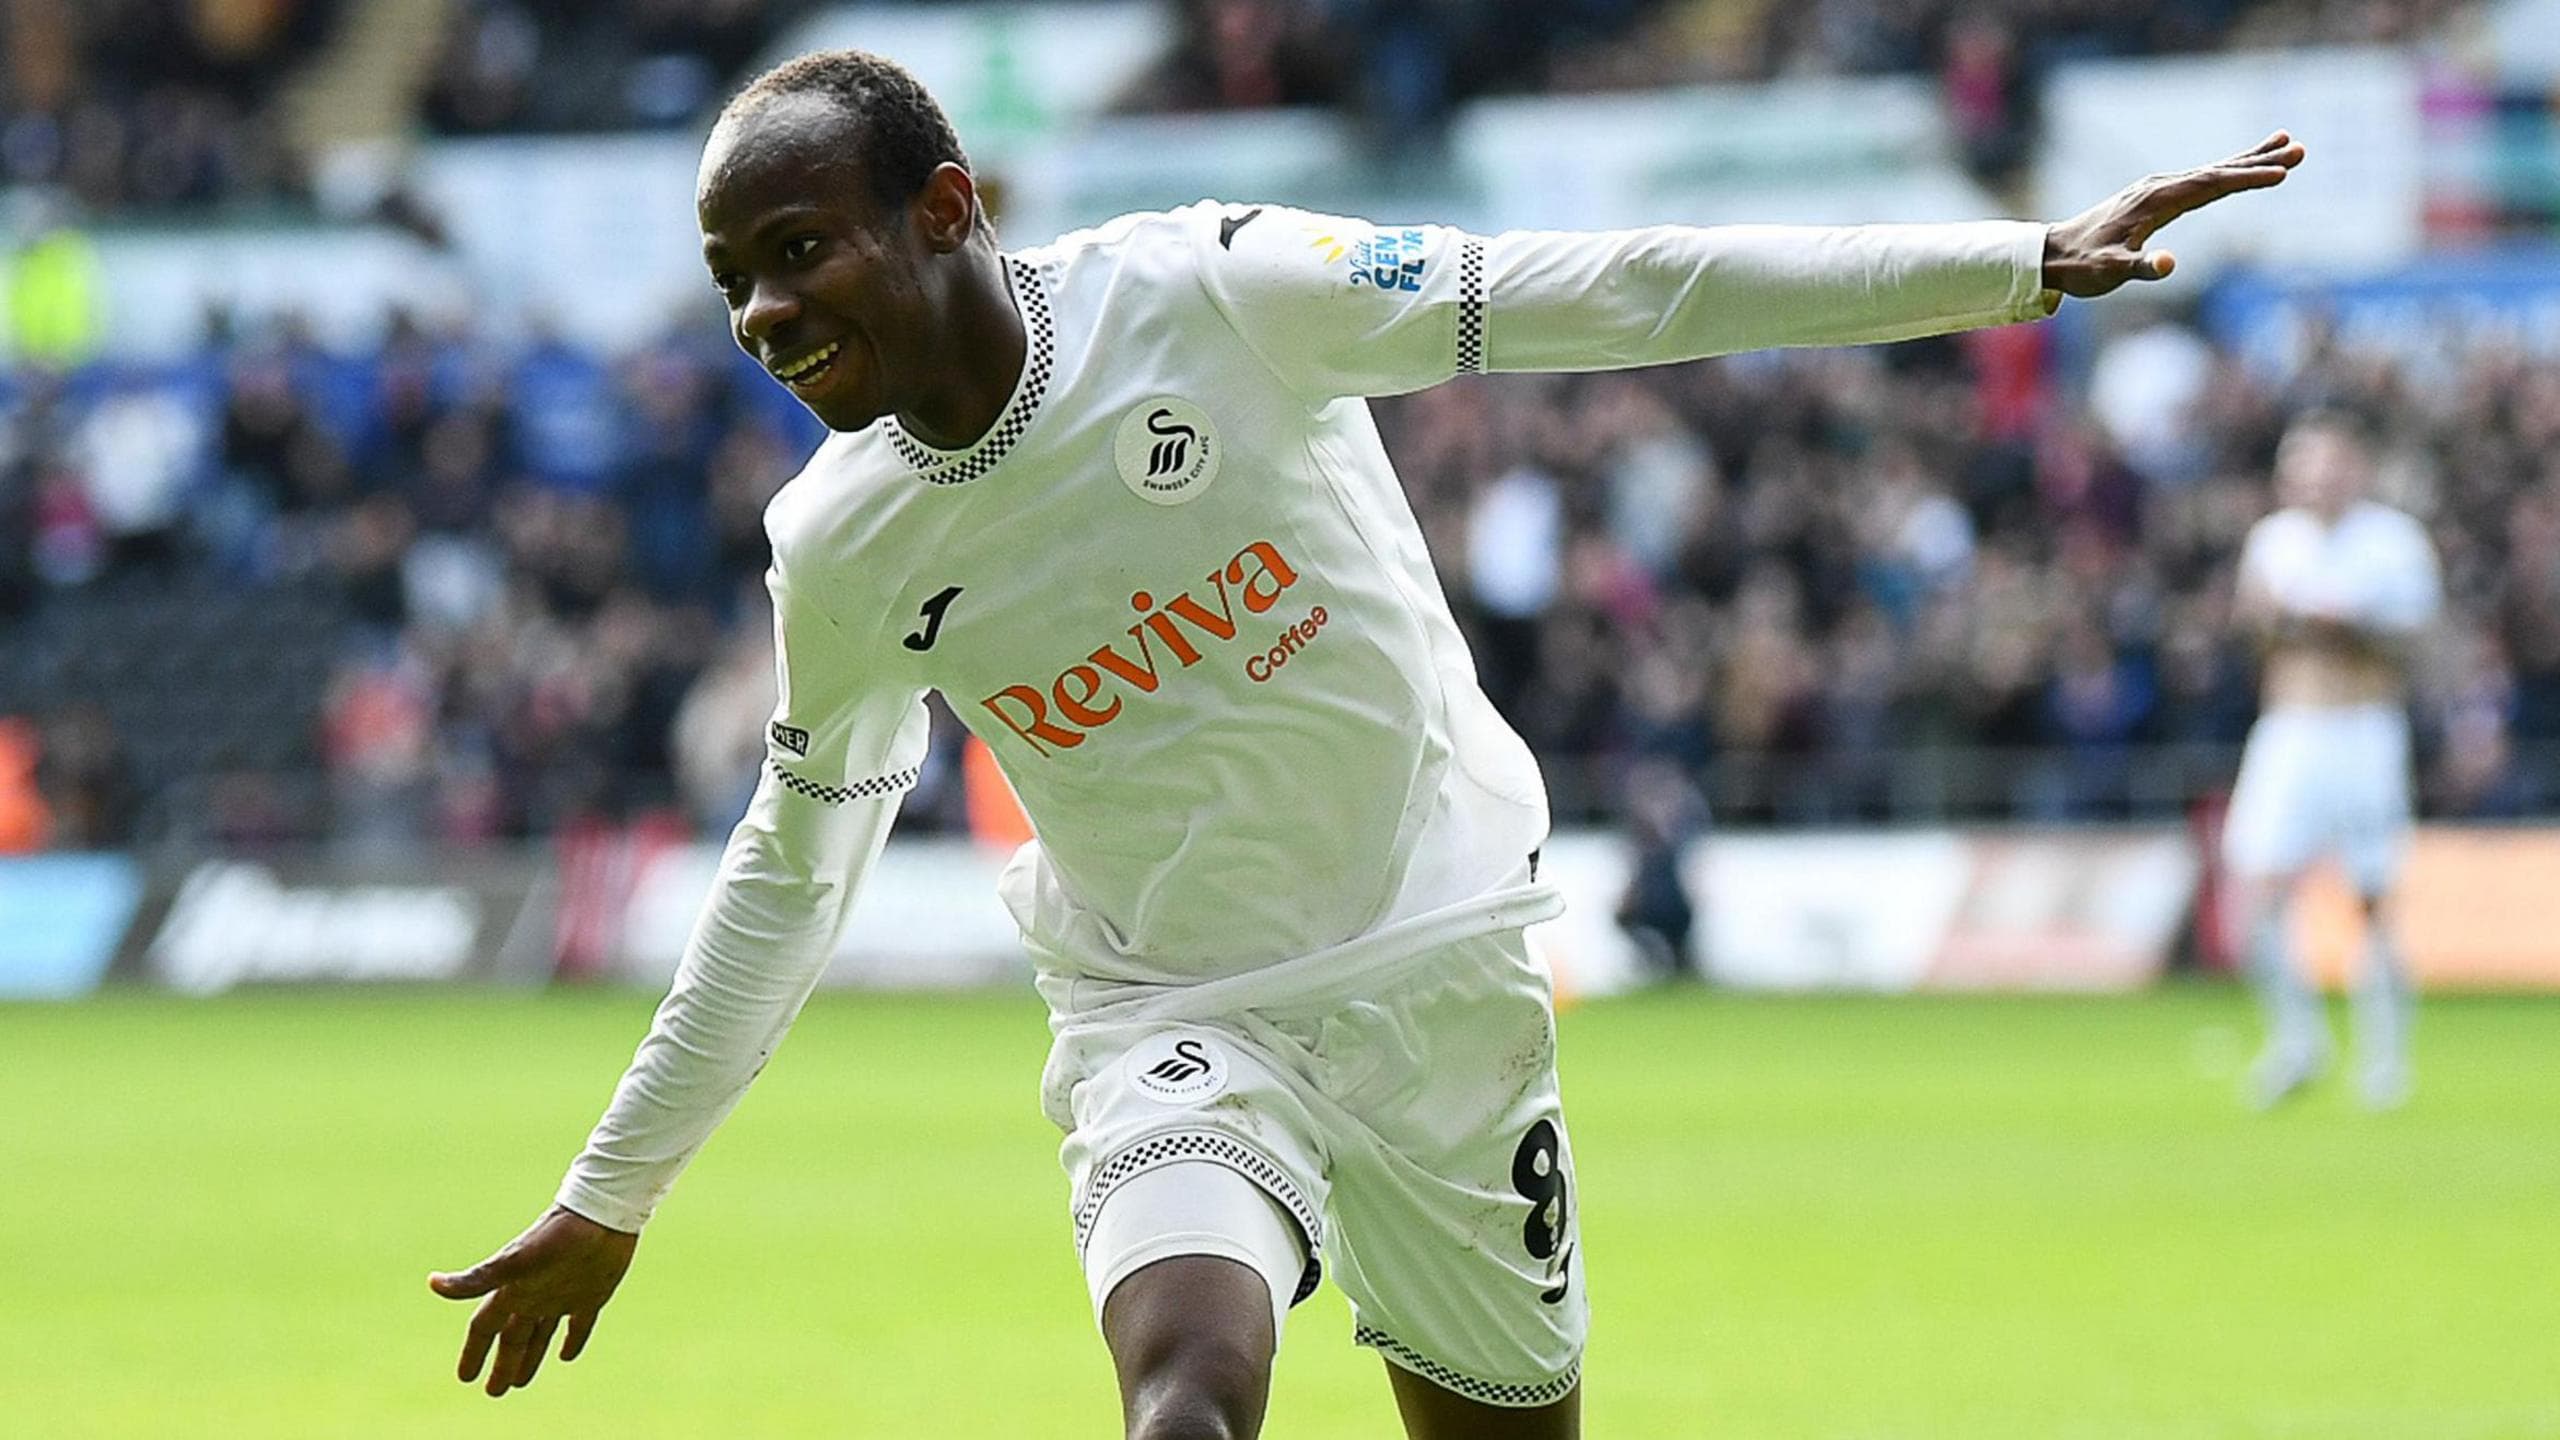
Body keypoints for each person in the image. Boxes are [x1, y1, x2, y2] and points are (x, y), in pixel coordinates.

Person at [428, 48, 2302, 1437]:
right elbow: (791, 870)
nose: (762, 312)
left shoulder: (1217, 290)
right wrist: (615, 1189)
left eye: (797, 248)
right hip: (1169, 1009)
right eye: (733, 275)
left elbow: (1613, 287)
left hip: (1443, 973)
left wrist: (2008, 261)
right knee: (1190, 1401)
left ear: (943, 209)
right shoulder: (839, 547)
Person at [2225, 414, 2440, 1110]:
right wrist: (2271, 620)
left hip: (2364, 729)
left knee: (2370, 897)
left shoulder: (2392, 541)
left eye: (2328, 464)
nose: (2315, 479)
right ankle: (2298, 1040)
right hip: (2290, 727)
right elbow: (2254, 632)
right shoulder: (2273, 540)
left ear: (2356, 468)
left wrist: (2341, 623)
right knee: (2255, 889)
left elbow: (2414, 636)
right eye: (2302, 466)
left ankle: (2385, 1060)